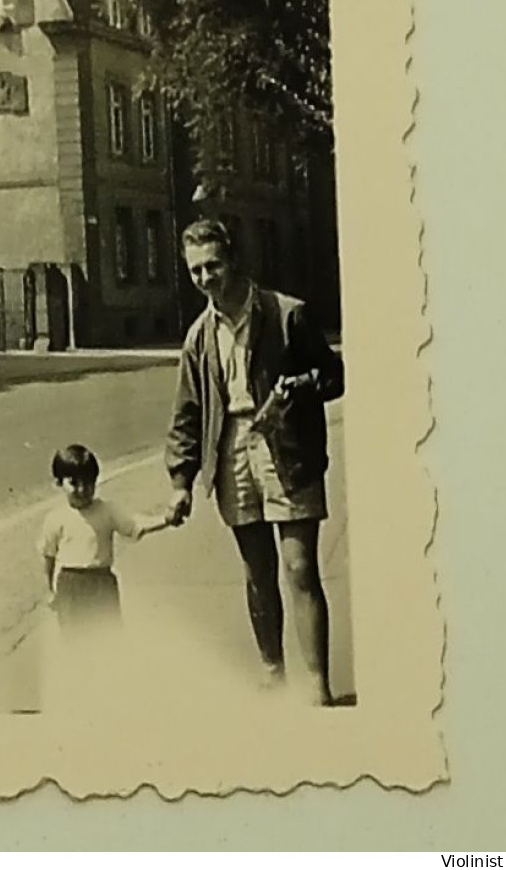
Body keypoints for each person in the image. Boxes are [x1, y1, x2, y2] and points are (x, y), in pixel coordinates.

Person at [165, 218, 344, 705]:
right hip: (231, 449)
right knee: (257, 570)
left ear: (234, 260)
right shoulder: (199, 336)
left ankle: (317, 685)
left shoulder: (287, 314)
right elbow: (188, 411)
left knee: (300, 565)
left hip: (287, 445)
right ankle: (272, 671)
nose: (206, 278)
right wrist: (182, 480)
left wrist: (299, 387)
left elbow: (334, 377)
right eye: (196, 271)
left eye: (213, 265)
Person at [39, 444, 173, 633]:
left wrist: (166, 519)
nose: (82, 489)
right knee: (73, 636)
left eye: (88, 483)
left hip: (101, 582)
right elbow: (48, 555)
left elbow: (135, 526)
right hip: (70, 584)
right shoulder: (56, 518)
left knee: (108, 633)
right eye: (74, 483)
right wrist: (50, 590)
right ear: (59, 483)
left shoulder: (107, 510)